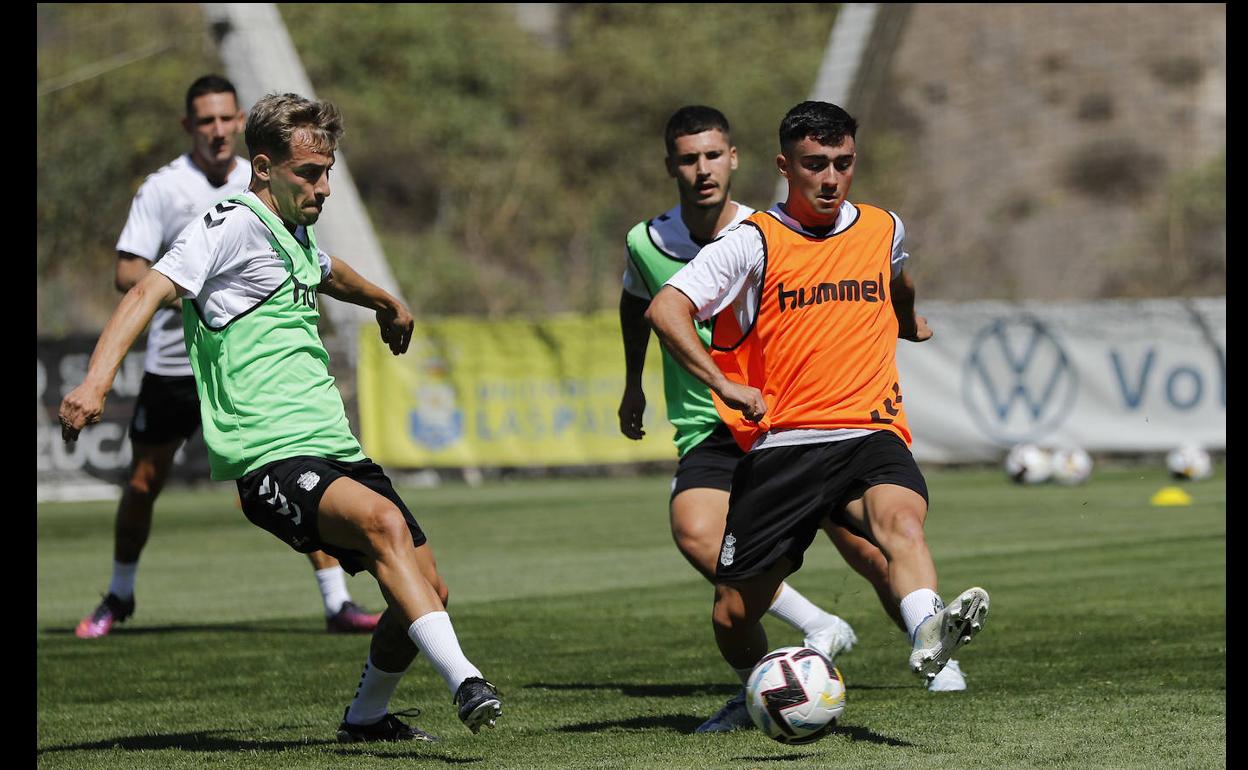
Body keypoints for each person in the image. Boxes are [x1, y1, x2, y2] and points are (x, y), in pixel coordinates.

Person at [60, 91, 502, 742]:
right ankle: (466, 680)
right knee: (383, 525)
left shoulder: (293, 232)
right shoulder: (229, 221)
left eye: (328, 172)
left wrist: (386, 302)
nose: (323, 186)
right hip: (269, 455)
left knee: (427, 590)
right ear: (262, 167)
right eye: (309, 173)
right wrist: (95, 382)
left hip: (333, 446)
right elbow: (150, 287)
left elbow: (328, 272)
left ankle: (366, 717)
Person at [619, 107, 965, 732]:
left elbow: (896, 274)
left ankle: (931, 641)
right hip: (785, 443)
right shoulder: (752, 240)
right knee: (731, 614)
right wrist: (724, 383)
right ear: (784, 167)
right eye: (815, 166)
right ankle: (758, 692)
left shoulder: (882, 226)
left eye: (843, 164)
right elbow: (666, 309)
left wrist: (908, 318)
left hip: (869, 428)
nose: (831, 179)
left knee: (901, 525)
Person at [74, 75, 382, 640]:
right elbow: (129, 274)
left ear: (239, 124)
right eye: (205, 121)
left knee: (294, 472)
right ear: (189, 127)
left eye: (225, 119)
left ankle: (337, 601)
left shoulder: (276, 177)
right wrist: (192, 286)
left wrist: (385, 303)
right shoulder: (165, 189)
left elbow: (319, 265)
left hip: (249, 366)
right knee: (143, 482)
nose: (217, 131)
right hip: (176, 362)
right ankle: (118, 594)